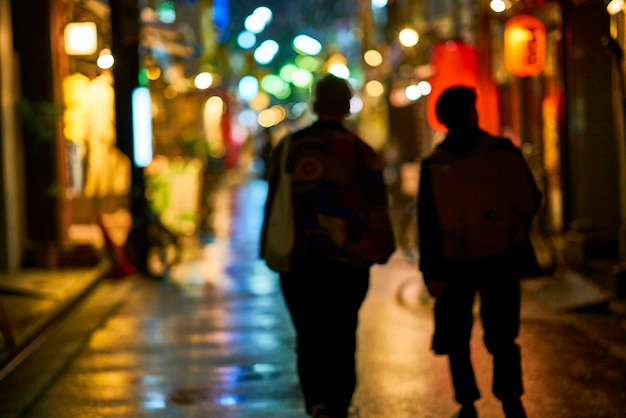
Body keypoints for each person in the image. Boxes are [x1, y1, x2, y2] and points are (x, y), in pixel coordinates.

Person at [260, 74, 395, 418]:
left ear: (315, 106)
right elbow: (378, 207)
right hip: (346, 261)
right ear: (348, 106)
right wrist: (381, 247)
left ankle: (316, 402)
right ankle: (338, 402)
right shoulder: (362, 153)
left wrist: (271, 247)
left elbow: (275, 201)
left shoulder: (289, 147)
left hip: (300, 258)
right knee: (341, 332)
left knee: (309, 334)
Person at [417, 86, 542, 418]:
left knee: (456, 333)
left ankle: (467, 401)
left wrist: (431, 272)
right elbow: (530, 199)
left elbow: (427, 224)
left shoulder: (435, 164)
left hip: (452, 259)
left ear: (441, 119)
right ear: (473, 112)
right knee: (502, 330)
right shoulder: (502, 151)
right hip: (501, 253)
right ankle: (510, 394)